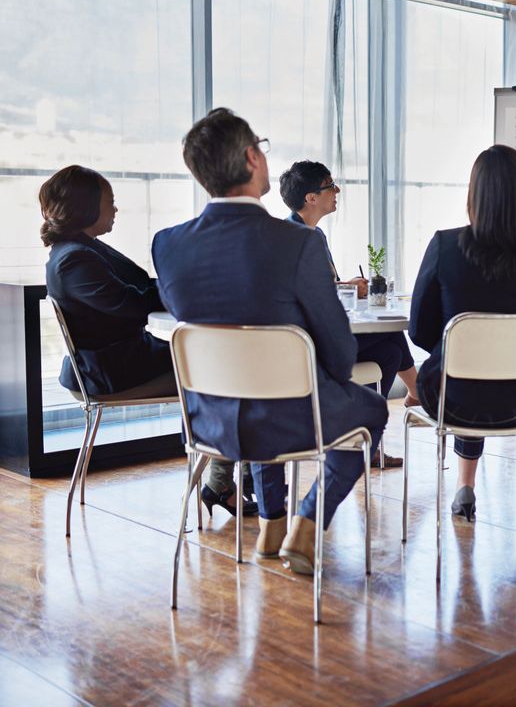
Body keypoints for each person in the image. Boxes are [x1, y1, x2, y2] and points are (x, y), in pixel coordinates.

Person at [152, 108, 387, 572]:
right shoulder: (297, 244)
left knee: (260, 393)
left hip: (207, 423)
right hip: (291, 419)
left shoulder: (168, 244)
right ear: (250, 158)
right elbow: (341, 356)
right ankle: (307, 521)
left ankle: (272, 523)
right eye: (261, 145)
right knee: (372, 409)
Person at [39, 165, 256, 516]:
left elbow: (138, 289)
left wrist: (185, 282)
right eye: (110, 202)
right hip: (114, 370)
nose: (115, 209)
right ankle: (230, 480)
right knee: (232, 371)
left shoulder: (81, 249)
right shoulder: (74, 260)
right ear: (86, 206)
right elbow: (134, 304)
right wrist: (191, 288)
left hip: (124, 358)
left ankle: (229, 478)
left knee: (228, 364)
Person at [408, 144, 516, 520]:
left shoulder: (445, 247)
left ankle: (464, 485)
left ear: (474, 192)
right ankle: (465, 485)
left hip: (451, 400)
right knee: (480, 377)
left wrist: (463, 349)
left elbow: (419, 331)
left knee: (467, 379)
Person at [279, 159, 420, 468]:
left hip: (317, 338)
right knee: (390, 337)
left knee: (388, 353)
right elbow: (308, 296)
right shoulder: (296, 238)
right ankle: (416, 393)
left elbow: (319, 287)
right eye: (330, 186)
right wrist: (347, 289)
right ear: (311, 198)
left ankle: (364, 441)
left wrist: (346, 285)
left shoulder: (310, 235)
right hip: (308, 347)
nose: (337, 190)